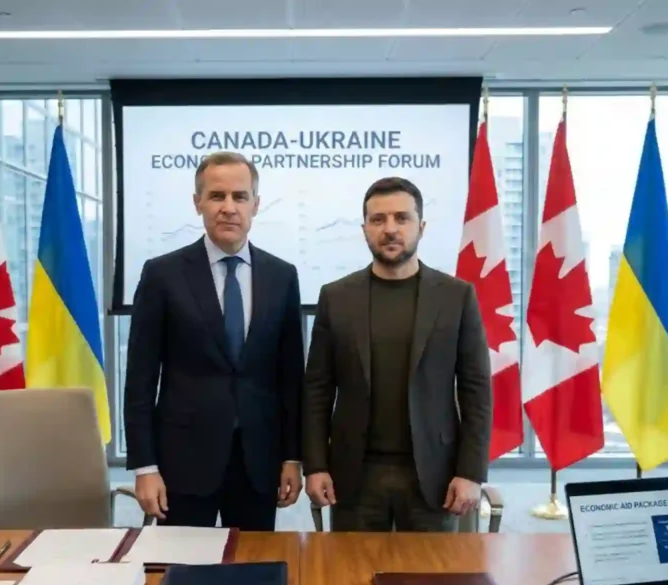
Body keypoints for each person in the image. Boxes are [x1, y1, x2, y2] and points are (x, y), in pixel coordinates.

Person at [124, 151, 304, 531]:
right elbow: (140, 380)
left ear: (256, 204)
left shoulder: (282, 276)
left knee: (254, 565)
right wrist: (145, 467)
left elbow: (291, 378)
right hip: (183, 464)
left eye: (240, 196)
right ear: (198, 203)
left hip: (258, 464)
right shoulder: (162, 275)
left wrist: (292, 457)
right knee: (180, 565)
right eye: (217, 196)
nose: (229, 208)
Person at [302, 176, 492, 532]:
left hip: (434, 476)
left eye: (402, 218)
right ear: (364, 229)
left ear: (421, 226)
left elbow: (476, 391)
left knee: (431, 570)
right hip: (354, 476)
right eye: (378, 219)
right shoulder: (336, 297)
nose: (390, 229)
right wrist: (315, 465)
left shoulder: (457, 297)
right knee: (352, 567)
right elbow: (317, 390)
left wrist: (470, 472)